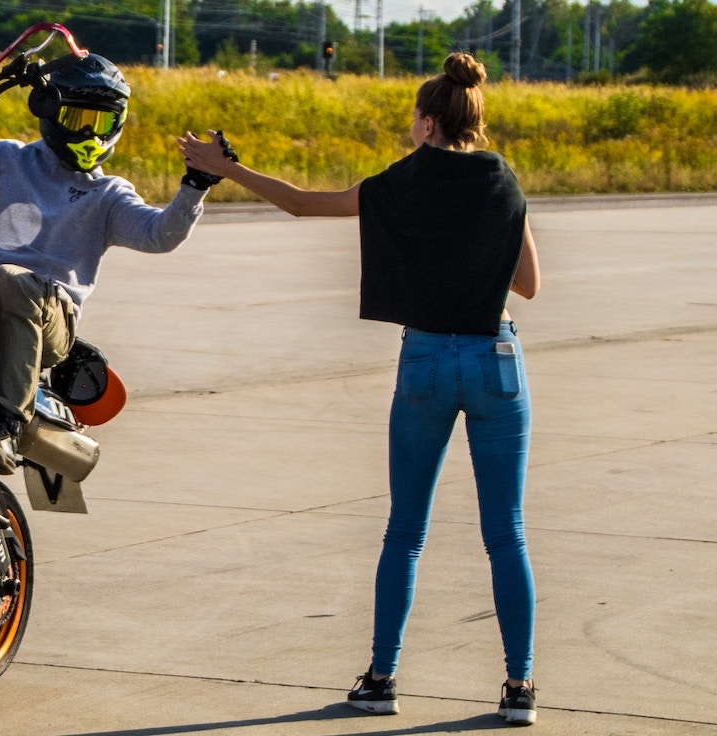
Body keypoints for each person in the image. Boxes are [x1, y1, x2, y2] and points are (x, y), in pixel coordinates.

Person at [178, 52, 541, 726]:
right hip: (497, 358)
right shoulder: (504, 183)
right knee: (506, 535)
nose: (410, 129)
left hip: (428, 359)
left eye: (413, 120)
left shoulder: (401, 182)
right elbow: (529, 285)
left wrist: (225, 167)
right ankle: (519, 688)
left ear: (430, 124)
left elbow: (300, 202)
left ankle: (381, 679)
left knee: (405, 532)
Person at [0, 53, 227, 474]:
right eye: (79, 117)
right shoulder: (4, 158)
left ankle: (6, 425)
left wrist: (196, 184)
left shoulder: (107, 193)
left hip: (51, 317)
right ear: (51, 112)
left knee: (13, 281)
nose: (89, 132)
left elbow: (160, 234)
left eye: (101, 122)